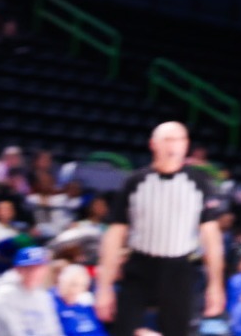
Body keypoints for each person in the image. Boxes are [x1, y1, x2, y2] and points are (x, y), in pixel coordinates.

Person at [96, 122, 228, 336]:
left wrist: (216, 284)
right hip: (139, 266)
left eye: (179, 140)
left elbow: (211, 238)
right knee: (123, 330)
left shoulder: (199, 183)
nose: (174, 145)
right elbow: (114, 235)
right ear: (153, 144)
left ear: (186, 145)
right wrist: (104, 287)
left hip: (179, 268)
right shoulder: (135, 182)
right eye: (168, 139)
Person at [0, 247, 64, 336]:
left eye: (38, 268)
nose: (34, 273)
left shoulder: (43, 296)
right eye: (28, 268)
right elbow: (12, 331)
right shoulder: (2, 296)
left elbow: (53, 330)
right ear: (17, 269)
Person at [57, 261, 109, 336]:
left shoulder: (89, 305)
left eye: (82, 286)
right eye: (73, 285)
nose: (75, 290)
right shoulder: (55, 305)